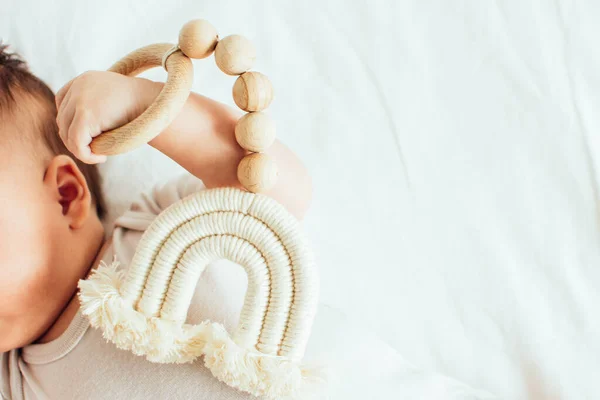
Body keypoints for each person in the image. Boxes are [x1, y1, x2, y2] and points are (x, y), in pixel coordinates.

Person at [0, 43, 312, 400]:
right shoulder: (15, 382)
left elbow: (277, 192)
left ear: (65, 197)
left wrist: (144, 106)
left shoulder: (163, 229)